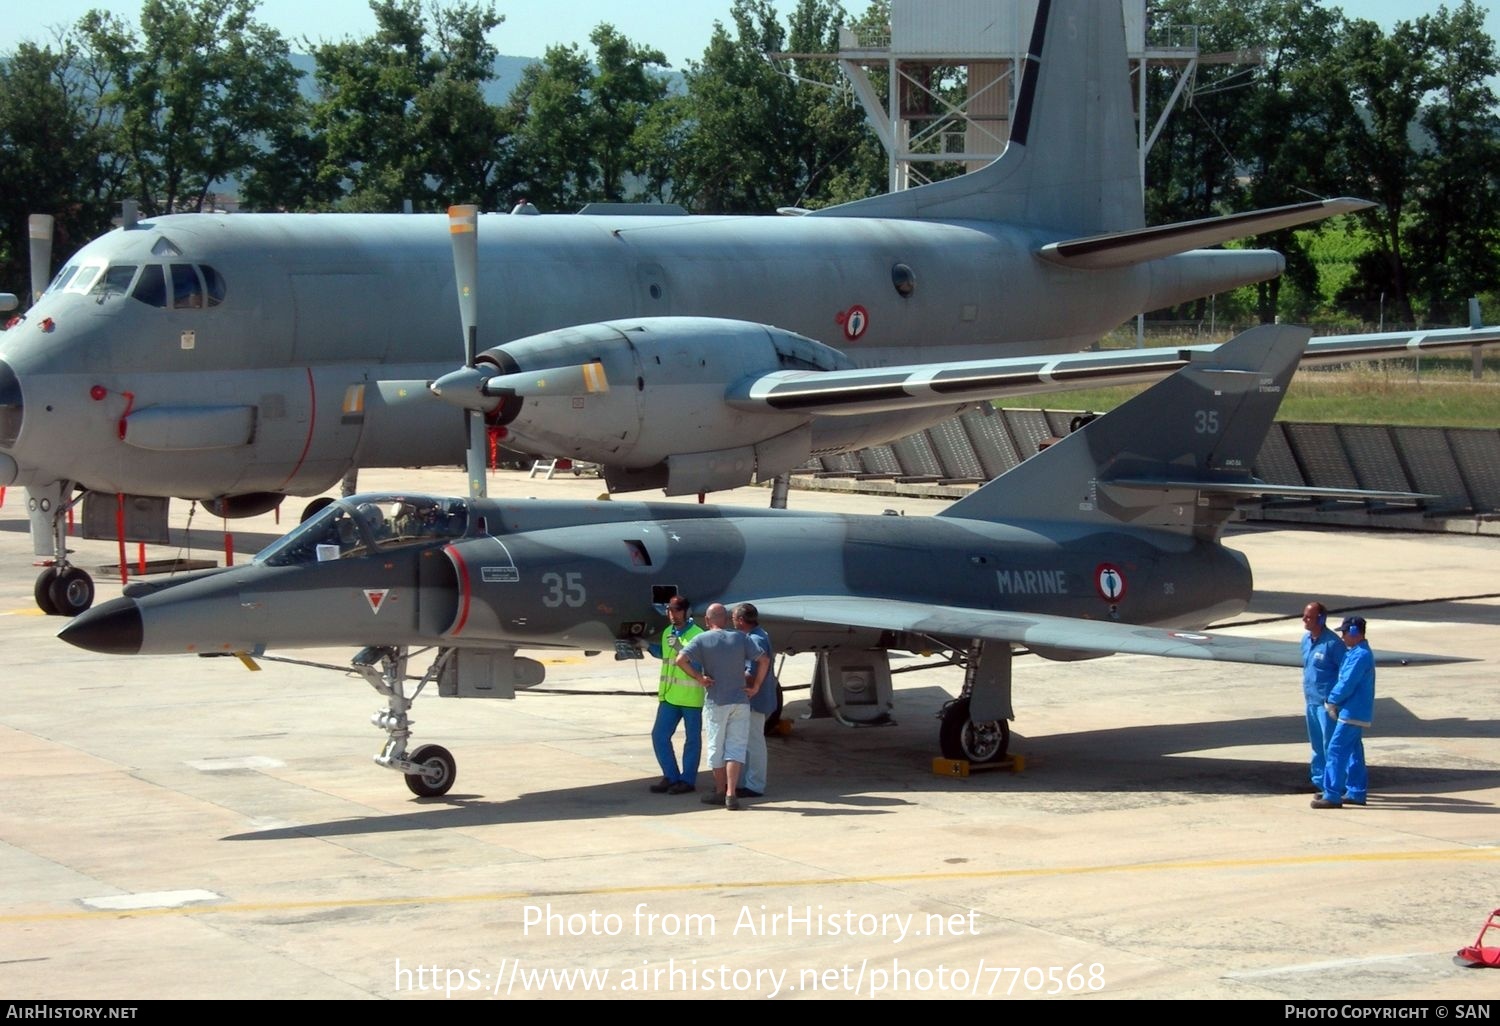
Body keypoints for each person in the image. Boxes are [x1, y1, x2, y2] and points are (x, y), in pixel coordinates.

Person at [676, 603, 769, 810]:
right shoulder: (740, 638)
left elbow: (680, 660)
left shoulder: (701, 639)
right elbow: (763, 659)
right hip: (741, 702)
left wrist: (700, 678)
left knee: (716, 748)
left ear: (708, 621)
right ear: (725, 620)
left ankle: (720, 791)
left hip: (717, 702)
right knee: (735, 748)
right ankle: (731, 794)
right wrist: (755, 687)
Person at [1312, 616, 1375, 809]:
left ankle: (1332, 794)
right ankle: (1356, 791)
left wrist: (1332, 700)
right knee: (1354, 751)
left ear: (1355, 633)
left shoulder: (1359, 656)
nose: (1342, 637)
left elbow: (1347, 682)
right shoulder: (1356, 652)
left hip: (1352, 712)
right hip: (1356, 711)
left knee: (1336, 749)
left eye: (1345, 633)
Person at [647, 595, 704, 795]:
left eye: (677, 610)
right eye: (670, 610)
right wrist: (644, 646)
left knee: (692, 740)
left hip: (690, 697)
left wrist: (680, 648)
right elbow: (664, 653)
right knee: (659, 736)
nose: (673, 614)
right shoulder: (667, 632)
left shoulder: (698, 635)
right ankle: (671, 776)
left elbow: (699, 665)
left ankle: (687, 780)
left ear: (686, 612)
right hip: (670, 696)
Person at [733, 602, 778, 799]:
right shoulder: (760, 635)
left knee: (754, 743)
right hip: (760, 698)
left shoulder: (755, 640)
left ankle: (755, 785)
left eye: (734, 618)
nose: (732, 622)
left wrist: (730, 675)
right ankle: (746, 782)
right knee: (750, 742)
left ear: (741, 620)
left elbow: (752, 673)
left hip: (755, 699)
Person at [1300, 601, 1345, 794]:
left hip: (1326, 705)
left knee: (1330, 746)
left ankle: (1335, 785)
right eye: (1304, 616)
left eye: (1309, 617)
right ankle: (1318, 780)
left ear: (1321, 619)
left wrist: (1335, 700)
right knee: (1317, 745)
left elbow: (1345, 673)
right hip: (1311, 702)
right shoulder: (1305, 640)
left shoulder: (1333, 644)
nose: (1304, 620)